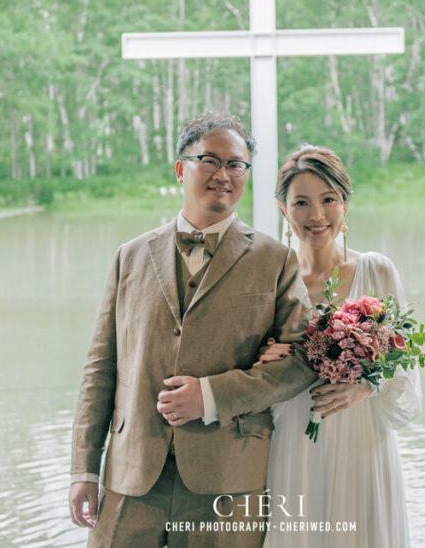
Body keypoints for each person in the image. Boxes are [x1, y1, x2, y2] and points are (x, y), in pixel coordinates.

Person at [68, 113, 315, 548]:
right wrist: (84, 468)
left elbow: (303, 361)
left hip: (228, 478)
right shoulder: (130, 256)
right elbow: (100, 367)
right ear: (181, 169)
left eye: (236, 165)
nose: (224, 174)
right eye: (210, 160)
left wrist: (212, 396)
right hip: (131, 474)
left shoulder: (275, 260)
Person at [256, 145, 421, 548]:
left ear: (345, 204)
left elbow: (405, 366)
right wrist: (262, 360)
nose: (317, 216)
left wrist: (366, 385)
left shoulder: (377, 271)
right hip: (296, 436)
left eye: (328, 200)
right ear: (283, 209)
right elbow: (248, 369)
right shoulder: (268, 282)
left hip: (362, 439)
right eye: (301, 203)